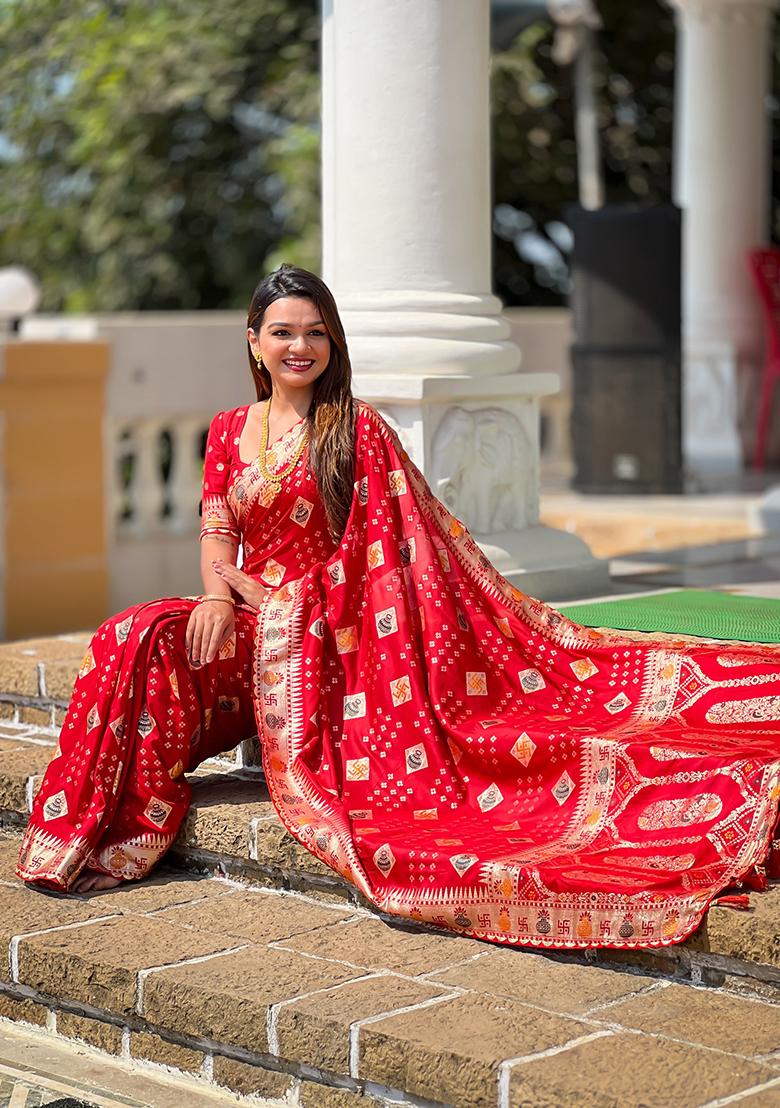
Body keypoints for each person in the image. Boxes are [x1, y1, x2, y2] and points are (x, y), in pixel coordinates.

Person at [17, 264, 780, 951]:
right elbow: (217, 529)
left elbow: (388, 556)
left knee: (144, 630)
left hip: (328, 637)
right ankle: (107, 828)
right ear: (254, 342)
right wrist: (219, 595)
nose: (300, 347)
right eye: (283, 332)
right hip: (250, 622)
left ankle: (116, 834)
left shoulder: (355, 429)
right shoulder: (226, 431)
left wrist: (289, 600)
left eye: (316, 333)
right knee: (137, 629)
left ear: (332, 343)